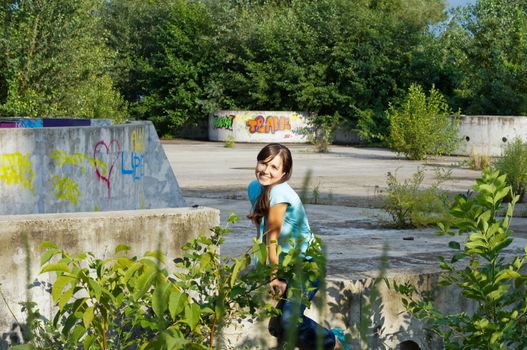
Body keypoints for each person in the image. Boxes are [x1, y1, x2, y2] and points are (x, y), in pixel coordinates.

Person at [247, 143, 349, 350]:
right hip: (287, 263)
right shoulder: (254, 187)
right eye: (263, 163)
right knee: (280, 326)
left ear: (284, 172)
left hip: (307, 265)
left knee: (288, 320)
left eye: (274, 167)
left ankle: (334, 341)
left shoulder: (280, 192)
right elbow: (262, 228)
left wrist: (273, 275)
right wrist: (260, 266)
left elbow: (272, 236)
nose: (266, 170)